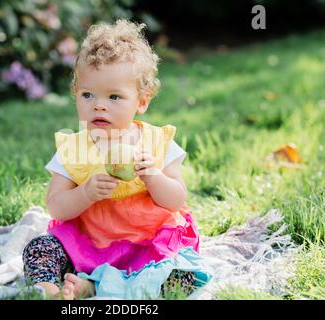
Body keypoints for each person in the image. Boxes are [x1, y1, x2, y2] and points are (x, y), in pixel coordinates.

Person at [22, 19, 210, 300]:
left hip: (147, 245)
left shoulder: (158, 144)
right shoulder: (73, 149)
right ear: (76, 94)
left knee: (180, 275)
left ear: (142, 101)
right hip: (89, 246)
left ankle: (95, 287)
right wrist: (85, 193)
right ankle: (49, 290)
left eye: (114, 97)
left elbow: (176, 199)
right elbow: (57, 208)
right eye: (87, 94)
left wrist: (154, 177)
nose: (98, 105)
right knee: (39, 248)